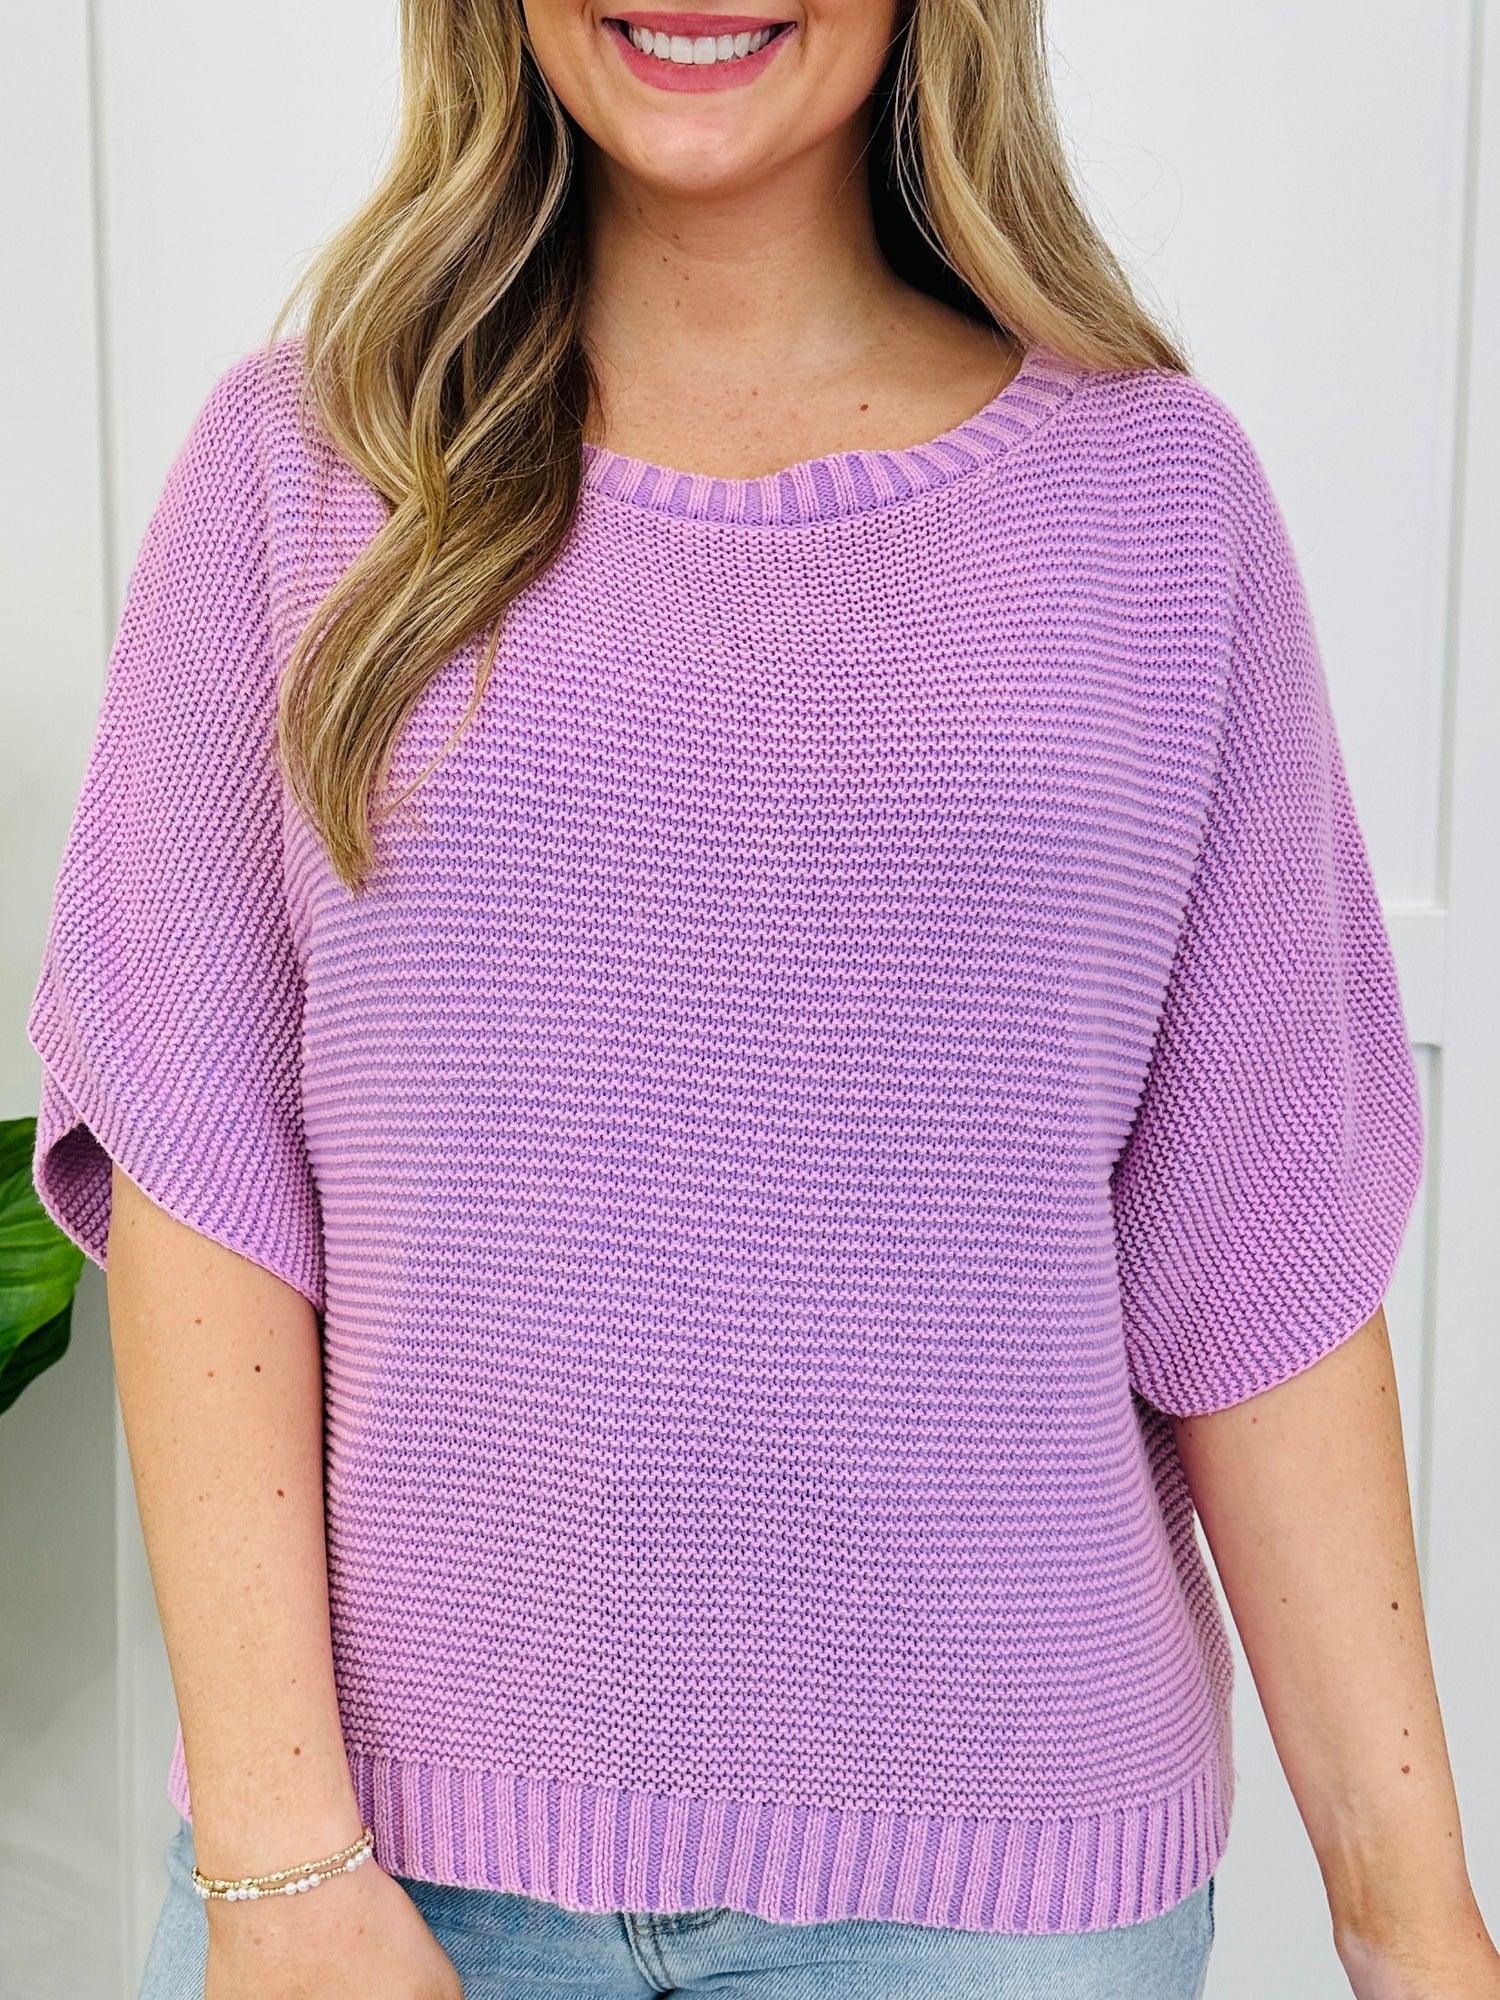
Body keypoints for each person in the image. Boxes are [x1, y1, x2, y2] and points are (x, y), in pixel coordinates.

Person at [26, 0, 1500, 1992]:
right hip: (380, 1883)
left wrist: (1416, 1924)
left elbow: (1259, 1247)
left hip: (1004, 1912)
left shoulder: (1158, 506)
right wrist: (285, 1865)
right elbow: (203, 1173)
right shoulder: (306, 469)